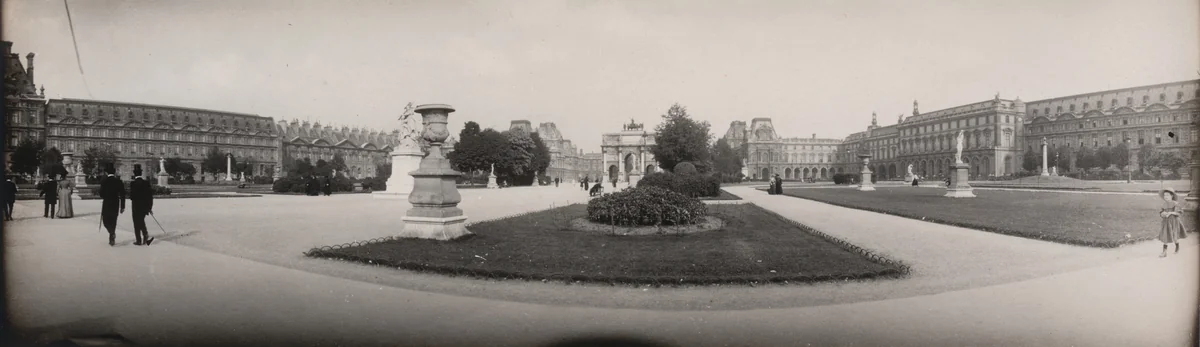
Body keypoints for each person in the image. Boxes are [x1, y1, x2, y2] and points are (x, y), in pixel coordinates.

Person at [98, 165, 126, 246]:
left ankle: (111, 232)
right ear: (114, 172)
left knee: (105, 221)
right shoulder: (119, 181)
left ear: (107, 172)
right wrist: (122, 206)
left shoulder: (104, 181)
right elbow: (123, 195)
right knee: (113, 221)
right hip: (115, 203)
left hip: (107, 203)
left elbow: (101, 194)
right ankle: (111, 237)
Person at [1157, 188, 1189, 258]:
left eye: (1167, 195)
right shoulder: (1164, 204)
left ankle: (1177, 246)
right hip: (1166, 222)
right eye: (1164, 195)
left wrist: (1171, 212)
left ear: (1172, 196)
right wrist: (1163, 213)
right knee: (1165, 235)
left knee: (1175, 236)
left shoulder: (1175, 203)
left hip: (1174, 222)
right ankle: (1164, 252)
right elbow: (1161, 212)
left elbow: (1179, 212)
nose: (1165, 197)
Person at [128, 167, 155, 246]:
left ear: (134, 174)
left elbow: (131, 197)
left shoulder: (133, 183)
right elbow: (150, 196)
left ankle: (139, 239)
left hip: (136, 206)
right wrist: (149, 207)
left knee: (136, 222)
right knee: (141, 220)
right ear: (141, 173)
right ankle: (145, 235)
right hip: (144, 206)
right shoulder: (146, 183)